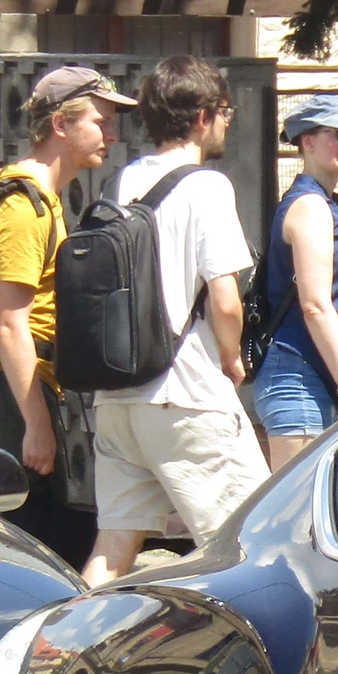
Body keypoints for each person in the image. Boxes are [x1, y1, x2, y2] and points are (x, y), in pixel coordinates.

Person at [80, 56, 268, 587]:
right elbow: (225, 300)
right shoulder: (206, 186)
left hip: (120, 396)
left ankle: (57, 654)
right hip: (185, 392)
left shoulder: (122, 181)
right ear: (204, 115)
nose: (229, 122)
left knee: (113, 547)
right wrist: (232, 360)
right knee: (244, 542)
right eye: (225, 111)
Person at [0, 65, 136, 566]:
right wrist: (36, 424)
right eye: (100, 121)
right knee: (22, 549)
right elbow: (9, 322)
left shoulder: (44, 199)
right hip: (9, 395)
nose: (111, 134)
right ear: (61, 126)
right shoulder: (22, 206)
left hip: (29, 386)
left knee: (52, 543)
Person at [257, 95, 338, 469]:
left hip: (317, 385)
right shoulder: (310, 206)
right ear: (307, 142)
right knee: (295, 521)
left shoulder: (324, 206)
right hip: (301, 382)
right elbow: (315, 305)